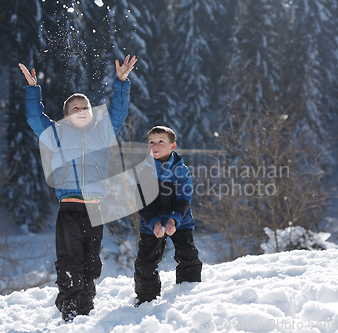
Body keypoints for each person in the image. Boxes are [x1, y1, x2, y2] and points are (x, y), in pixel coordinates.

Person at [18, 55, 137, 321]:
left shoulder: (102, 132)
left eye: (85, 107)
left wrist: (122, 81)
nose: (81, 110)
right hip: (69, 206)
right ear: (65, 116)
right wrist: (32, 88)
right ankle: (69, 307)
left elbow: (118, 112)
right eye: (75, 108)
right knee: (70, 258)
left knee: (91, 261)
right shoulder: (56, 134)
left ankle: (86, 305)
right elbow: (35, 118)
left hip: (95, 208)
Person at [134, 126, 203, 306]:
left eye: (160, 142)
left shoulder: (181, 171)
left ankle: (189, 292)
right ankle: (146, 298)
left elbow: (184, 198)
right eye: (151, 142)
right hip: (151, 223)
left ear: (173, 146)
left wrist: (173, 220)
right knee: (145, 261)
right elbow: (142, 202)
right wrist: (155, 222)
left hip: (180, 221)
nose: (155, 146)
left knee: (187, 254)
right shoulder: (144, 171)